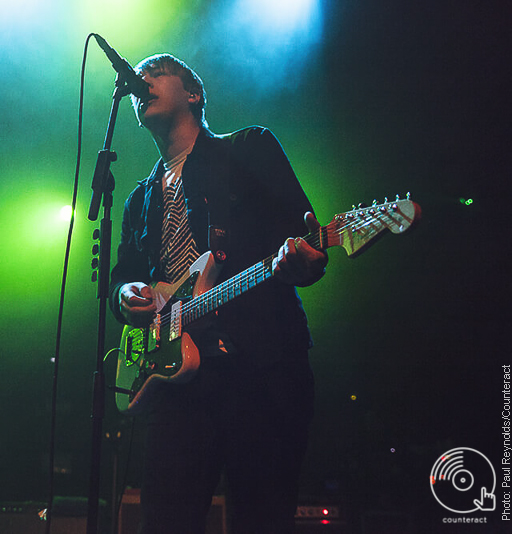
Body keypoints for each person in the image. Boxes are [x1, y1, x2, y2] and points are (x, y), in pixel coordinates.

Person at [109, 54, 328, 533]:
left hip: (259, 368)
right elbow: (122, 277)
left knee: (262, 517)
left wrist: (306, 259)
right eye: (138, 78)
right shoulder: (137, 199)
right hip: (174, 379)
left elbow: (306, 238)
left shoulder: (248, 148)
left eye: (155, 73)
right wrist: (126, 293)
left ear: (193, 94)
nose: (141, 81)